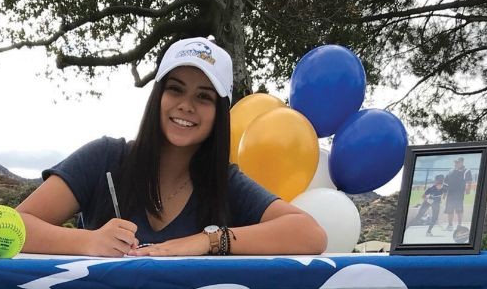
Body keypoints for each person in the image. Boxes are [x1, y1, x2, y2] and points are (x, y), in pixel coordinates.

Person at [16, 37, 327, 257]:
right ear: (158, 97)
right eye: (175, 90)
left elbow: (310, 233)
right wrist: (87, 241)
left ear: (220, 113)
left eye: (204, 96)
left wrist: (208, 241)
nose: (186, 106)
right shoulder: (105, 158)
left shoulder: (225, 183)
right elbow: (12, 224)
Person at [443, 157, 473, 232]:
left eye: (458, 162)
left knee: (459, 210)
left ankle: (459, 225)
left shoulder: (466, 171)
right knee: (450, 209)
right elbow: (446, 182)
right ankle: (450, 225)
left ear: (462, 162)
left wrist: (468, 189)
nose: (456, 164)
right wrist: (444, 193)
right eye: (455, 162)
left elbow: (469, 181)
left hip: (459, 193)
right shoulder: (450, 171)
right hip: (450, 193)